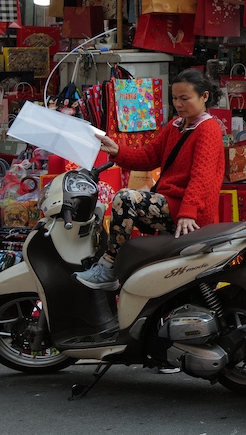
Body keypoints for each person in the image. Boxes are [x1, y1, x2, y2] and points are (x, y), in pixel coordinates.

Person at [78, 69, 226, 291]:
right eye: (175, 98)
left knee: (125, 198)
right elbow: (149, 157)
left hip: (187, 209)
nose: (178, 103)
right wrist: (117, 150)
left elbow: (201, 178)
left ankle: (109, 266)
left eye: (185, 98)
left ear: (204, 97)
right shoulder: (176, 126)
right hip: (170, 202)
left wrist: (187, 212)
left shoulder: (208, 129)